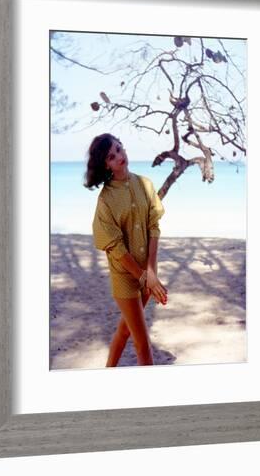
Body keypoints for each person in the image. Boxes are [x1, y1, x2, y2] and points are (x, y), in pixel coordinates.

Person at [84, 133, 168, 366]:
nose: (120, 156)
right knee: (143, 344)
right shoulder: (105, 201)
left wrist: (150, 273)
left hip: (147, 273)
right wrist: (143, 277)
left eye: (119, 149)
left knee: (124, 332)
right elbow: (115, 248)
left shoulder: (145, 184)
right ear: (105, 164)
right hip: (125, 276)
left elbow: (153, 227)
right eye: (112, 156)